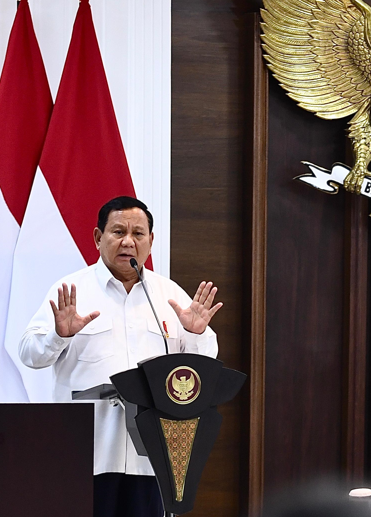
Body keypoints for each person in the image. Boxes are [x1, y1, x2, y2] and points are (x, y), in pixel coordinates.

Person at [19, 196, 222, 517]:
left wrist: (195, 334)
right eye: (118, 232)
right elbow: (29, 354)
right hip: (85, 452)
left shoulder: (168, 296)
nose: (128, 241)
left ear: (151, 242)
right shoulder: (71, 290)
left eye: (138, 234)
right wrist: (59, 334)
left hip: (149, 455)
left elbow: (205, 366)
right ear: (99, 238)